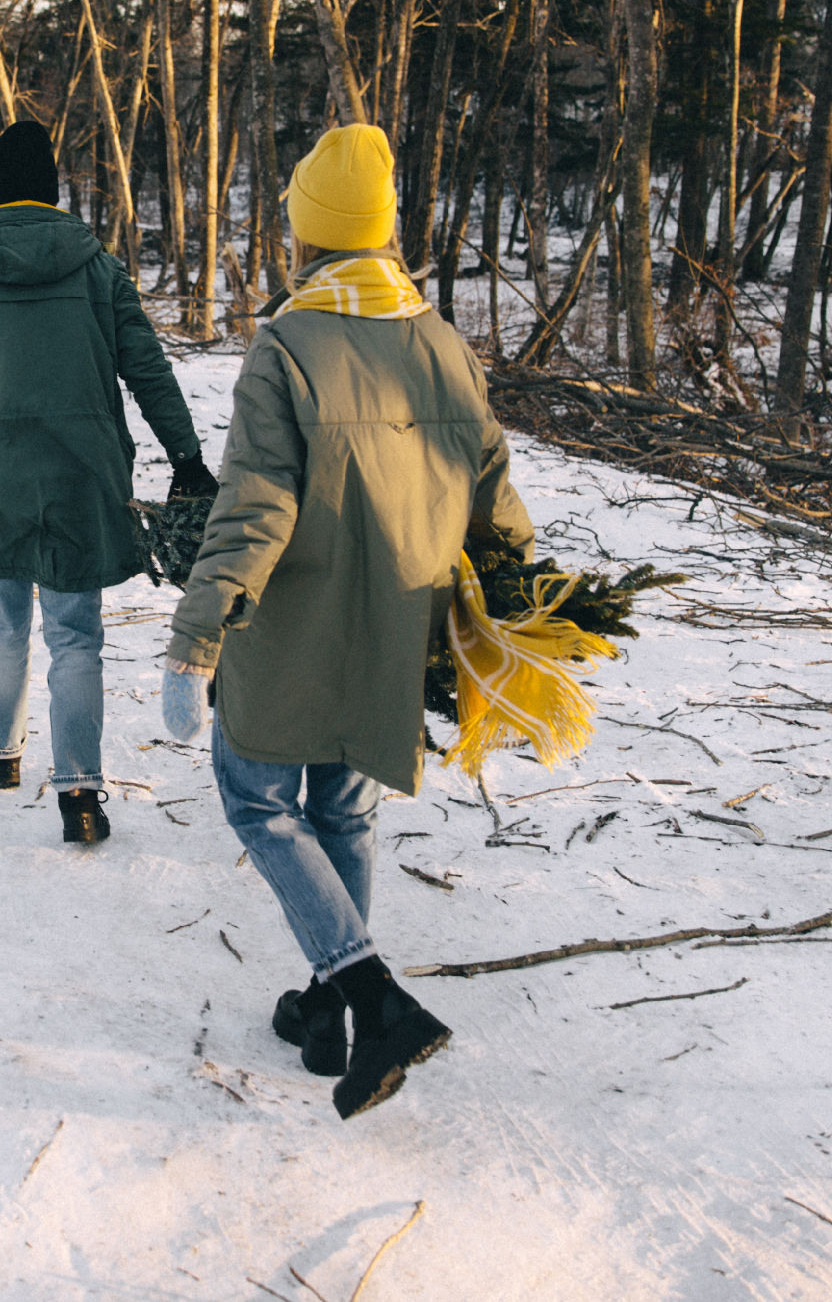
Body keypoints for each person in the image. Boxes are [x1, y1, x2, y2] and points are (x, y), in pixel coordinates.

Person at [160, 123, 533, 1118]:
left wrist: (195, 640)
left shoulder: (287, 345)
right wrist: (516, 602)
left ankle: (368, 993)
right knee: (344, 812)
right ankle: (328, 1011)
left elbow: (255, 511)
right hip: (395, 628)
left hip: (290, 625)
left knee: (255, 798)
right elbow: (493, 494)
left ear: (306, 232)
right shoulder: (443, 345)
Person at [0, 120, 217, 844]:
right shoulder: (96, 269)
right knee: (76, 636)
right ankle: (81, 792)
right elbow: (147, 367)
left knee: (1, 627)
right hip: (81, 476)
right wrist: (185, 455)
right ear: (53, 190)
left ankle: (0, 754)